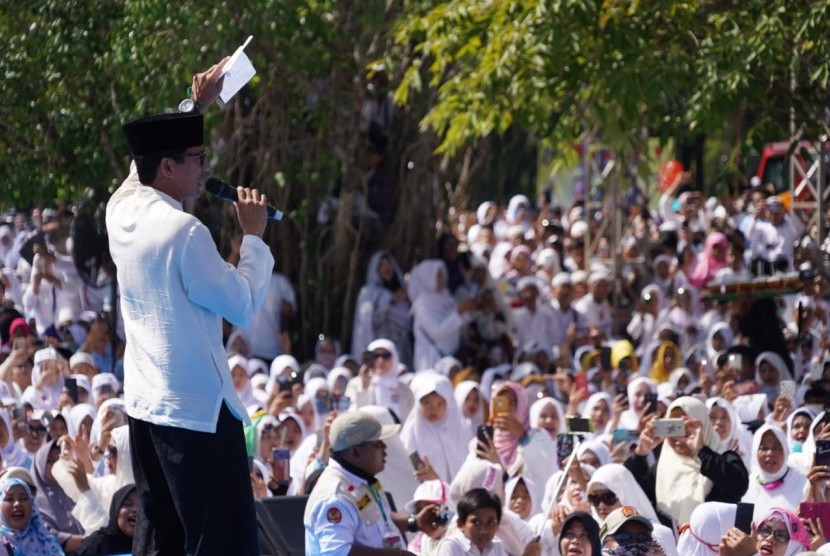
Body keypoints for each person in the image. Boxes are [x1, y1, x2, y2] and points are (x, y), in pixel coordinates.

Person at [107, 60, 274, 554]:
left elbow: (139, 164)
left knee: (161, 539)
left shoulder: (121, 208)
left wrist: (194, 105)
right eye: (198, 157)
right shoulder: (186, 231)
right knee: (218, 542)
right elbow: (241, 305)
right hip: (198, 415)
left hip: (145, 407)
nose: (205, 168)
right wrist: (254, 238)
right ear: (167, 167)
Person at [304, 410, 440, 554]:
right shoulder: (335, 497)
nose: (385, 448)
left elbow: (378, 516)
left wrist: (413, 523)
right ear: (355, 452)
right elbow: (337, 553)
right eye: (377, 444)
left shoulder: (359, 479)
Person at [0, 476, 64, 555]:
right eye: (9, 499)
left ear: (32, 505)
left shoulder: (44, 539)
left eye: (23, 498)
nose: (17, 504)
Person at [75, 484, 138, 556]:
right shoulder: (94, 546)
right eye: (128, 504)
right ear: (116, 510)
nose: (136, 510)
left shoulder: (151, 544)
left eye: (142, 506)